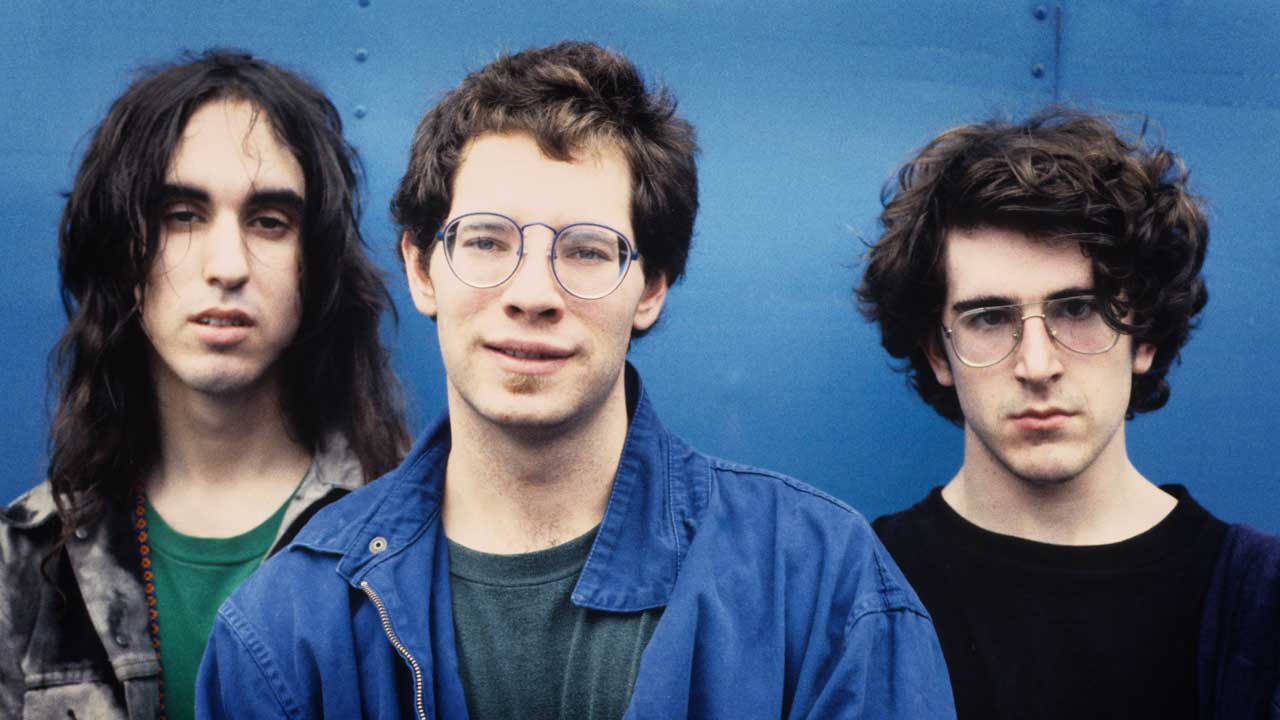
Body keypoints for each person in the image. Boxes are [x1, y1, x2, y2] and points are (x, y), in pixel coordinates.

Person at [197, 40, 955, 719]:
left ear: (651, 287)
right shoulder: (289, 624)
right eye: (487, 241)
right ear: (421, 269)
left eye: (588, 251)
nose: (532, 294)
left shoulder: (820, 584)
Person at [0, 50, 409, 720]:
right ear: (124, 254)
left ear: (317, 265)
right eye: (181, 215)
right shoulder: (24, 559)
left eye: (269, 222)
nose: (228, 266)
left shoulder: (408, 538)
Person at [858, 107, 1280, 719]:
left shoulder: (1260, 601)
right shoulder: (857, 587)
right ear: (936, 352)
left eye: (1078, 310)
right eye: (988, 318)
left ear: (1148, 335)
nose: (1036, 364)